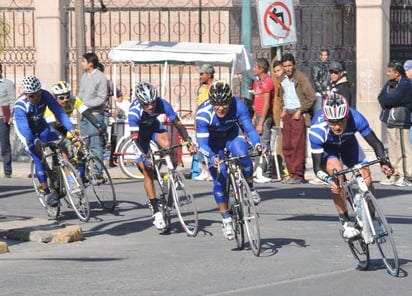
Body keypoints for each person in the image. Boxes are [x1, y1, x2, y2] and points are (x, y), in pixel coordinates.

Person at [309, 93, 394, 238]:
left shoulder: (356, 118)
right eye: (332, 122)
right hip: (330, 150)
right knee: (337, 176)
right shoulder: (317, 131)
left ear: (347, 116)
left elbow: (375, 143)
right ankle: (346, 222)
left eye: (341, 122)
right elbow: (317, 169)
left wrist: (384, 162)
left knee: (367, 178)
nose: (336, 127)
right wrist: (331, 181)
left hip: (349, 144)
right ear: (325, 119)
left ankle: (372, 220)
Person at [195, 80, 264, 240]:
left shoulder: (238, 105)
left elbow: (250, 130)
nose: (221, 108)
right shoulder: (203, 114)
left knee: (244, 157)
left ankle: (251, 189)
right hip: (213, 143)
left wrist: (259, 145)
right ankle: (226, 219)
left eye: (224, 104)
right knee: (220, 177)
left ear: (230, 101)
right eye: (217, 104)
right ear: (211, 102)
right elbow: (202, 144)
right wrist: (212, 158)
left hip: (232, 135)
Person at [128, 82, 194, 231]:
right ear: (140, 102)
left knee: (168, 145)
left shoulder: (162, 103)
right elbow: (135, 139)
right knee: (147, 169)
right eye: (146, 104)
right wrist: (144, 156)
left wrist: (187, 140)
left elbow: (178, 124)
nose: (151, 107)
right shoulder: (133, 112)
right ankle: (156, 210)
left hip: (154, 127)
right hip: (140, 136)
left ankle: (171, 174)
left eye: (152, 103)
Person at [14, 75, 78, 207]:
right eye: (32, 96)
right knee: (38, 157)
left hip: (40, 124)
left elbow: (59, 112)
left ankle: (64, 177)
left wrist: (71, 129)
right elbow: (24, 129)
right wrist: (35, 141)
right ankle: (46, 191)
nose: (36, 98)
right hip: (26, 130)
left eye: (37, 94)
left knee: (59, 144)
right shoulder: (20, 106)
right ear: (26, 94)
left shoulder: (45, 95)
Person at [45, 80, 105, 181]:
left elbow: (87, 113)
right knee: (62, 150)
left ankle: (81, 174)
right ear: (55, 97)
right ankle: (68, 179)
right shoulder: (50, 106)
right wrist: (65, 141)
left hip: (65, 126)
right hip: (51, 128)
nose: (65, 100)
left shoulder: (73, 100)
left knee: (82, 143)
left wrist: (99, 126)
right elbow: (53, 127)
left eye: (67, 96)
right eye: (61, 98)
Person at [280, 53, 316, 184]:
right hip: (287, 114)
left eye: (289, 65)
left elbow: (311, 97)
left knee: (297, 145)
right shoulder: (283, 79)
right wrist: (283, 108)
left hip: (297, 115)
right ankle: (290, 173)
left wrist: (301, 110)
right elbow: (281, 96)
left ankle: (298, 174)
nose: (288, 68)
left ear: (293, 65)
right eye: (285, 66)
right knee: (287, 145)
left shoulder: (300, 78)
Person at [378, 61, 412, 186]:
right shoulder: (389, 83)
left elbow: (393, 98)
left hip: (402, 120)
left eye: (390, 71)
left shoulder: (405, 83)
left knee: (403, 149)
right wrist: (387, 101)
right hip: (391, 120)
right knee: (392, 150)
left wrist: (387, 101)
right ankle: (395, 173)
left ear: (397, 73)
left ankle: (407, 176)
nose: (387, 74)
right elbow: (380, 97)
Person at [77, 52, 107, 178]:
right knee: (84, 144)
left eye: (84, 61)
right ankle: (84, 171)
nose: (82, 63)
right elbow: (80, 92)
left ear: (90, 63)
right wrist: (78, 103)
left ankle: (97, 172)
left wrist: (86, 104)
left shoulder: (101, 77)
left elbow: (101, 98)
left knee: (95, 144)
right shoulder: (85, 76)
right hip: (83, 115)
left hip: (95, 115)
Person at [252, 57, 274, 180]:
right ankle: (258, 170)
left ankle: (266, 172)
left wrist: (261, 122)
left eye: (255, 67)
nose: (254, 69)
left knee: (265, 144)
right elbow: (257, 102)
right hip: (259, 115)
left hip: (264, 117)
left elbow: (266, 104)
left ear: (261, 69)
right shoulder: (258, 82)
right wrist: (255, 116)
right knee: (257, 143)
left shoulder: (267, 82)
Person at [193, 64, 214, 181]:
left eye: (202, 74)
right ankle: (204, 169)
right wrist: (195, 119)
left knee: (211, 145)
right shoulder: (201, 88)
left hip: (211, 119)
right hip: (201, 120)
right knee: (201, 145)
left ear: (209, 74)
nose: (200, 76)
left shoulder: (215, 86)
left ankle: (212, 169)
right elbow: (197, 104)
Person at [0, 63, 15, 178]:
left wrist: (11, 116)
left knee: (5, 145)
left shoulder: (7, 84)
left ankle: (8, 171)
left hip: (2, 118)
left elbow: (12, 101)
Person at [311, 48, 330, 114]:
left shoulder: (330, 66)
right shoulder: (316, 67)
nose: (324, 57)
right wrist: (322, 90)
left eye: (326, 55)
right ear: (320, 56)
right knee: (318, 112)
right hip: (320, 93)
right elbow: (315, 80)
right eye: (323, 55)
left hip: (329, 92)